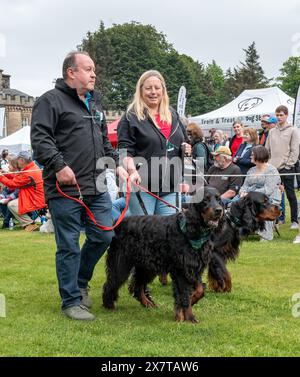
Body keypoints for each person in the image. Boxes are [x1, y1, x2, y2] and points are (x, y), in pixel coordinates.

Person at [31, 51, 128, 321]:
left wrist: (116, 164)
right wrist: (59, 165)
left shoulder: (94, 105)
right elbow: (40, 139)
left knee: (104, 236)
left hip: (96, 187)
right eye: (88, 69)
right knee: (69, 245)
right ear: (71, 72)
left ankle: (81, 281)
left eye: (94, 69)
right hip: (65, 190)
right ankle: (71, 301)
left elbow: (104, 142)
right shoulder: (50, 101)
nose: (94, 74)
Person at [117, 70, 191, 216]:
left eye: (157, 88)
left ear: (163, 90)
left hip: (171, 186)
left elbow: (182, 143)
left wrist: (186, 148)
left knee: (169, 234)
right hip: (142, 186)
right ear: (140, 90)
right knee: (144, 234)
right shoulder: (130, 117)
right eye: (148, 88)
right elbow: (124, 151)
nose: (153, 92)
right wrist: (132, 171)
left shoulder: (173, 115)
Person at [265, 105, 299, 230]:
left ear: (286, 115)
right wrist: (268, 163)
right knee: (273, 195)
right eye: (277, 115)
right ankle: (276, 220)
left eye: (281, 115)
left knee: (290, 195)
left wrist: (289, 164)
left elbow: (295, 150)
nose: (279, 117)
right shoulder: (271, 131)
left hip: (287, 168)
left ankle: (295, 220)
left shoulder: (293, 130)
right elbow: (266, 150)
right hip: (273, 168)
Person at [239, 145, 281, 241]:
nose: (250, 156)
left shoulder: (271, 170)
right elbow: (244, 186)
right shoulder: (251, 170)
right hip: (249, 198)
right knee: (233, 205)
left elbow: (268, 190)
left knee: (262, 207)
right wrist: (242, 192)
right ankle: (239, 232)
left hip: (268, 199)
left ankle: (265, 234)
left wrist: (250, 194)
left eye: (252, 155)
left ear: (259, 155)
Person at [0, 151, 45, 231]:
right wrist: (6, 174)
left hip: (35, 200)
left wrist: (1, 177)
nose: (16, 163)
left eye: (17, 161)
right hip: (34, 197)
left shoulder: (28, 173)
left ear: (22, 160)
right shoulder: (32, 167)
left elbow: (12, 184)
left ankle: (29, 224)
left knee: (12, 204)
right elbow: (17, 176)